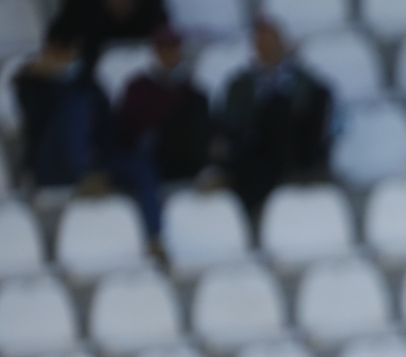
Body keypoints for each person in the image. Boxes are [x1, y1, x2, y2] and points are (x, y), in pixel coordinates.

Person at [217, 17, 332, 215]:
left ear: (282, 43)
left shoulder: (306, 82)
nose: (266, 48)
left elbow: (313, 118)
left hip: (293, 149)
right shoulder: (239, 85)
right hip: (253, 151)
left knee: (281, 109)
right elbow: (231, 123)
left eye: (271, 42)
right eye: (261, 43)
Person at [110, 27, 210, 244]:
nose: (169, 54)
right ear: (155, 52)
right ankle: (155, 237)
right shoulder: (137, 88)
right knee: (142, 169)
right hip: (140, 157)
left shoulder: (192, 93)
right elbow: (122, 131)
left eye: (173, 49)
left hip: (176, 157)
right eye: (164, 49)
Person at [12, 20, 112, 189]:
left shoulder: (86, 84)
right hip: (48, 162)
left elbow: (105, 123)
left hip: (88, 157)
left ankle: (91, 172)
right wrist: (39, 76)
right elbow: (34, 123)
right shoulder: (30, 82)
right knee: (74, 108)